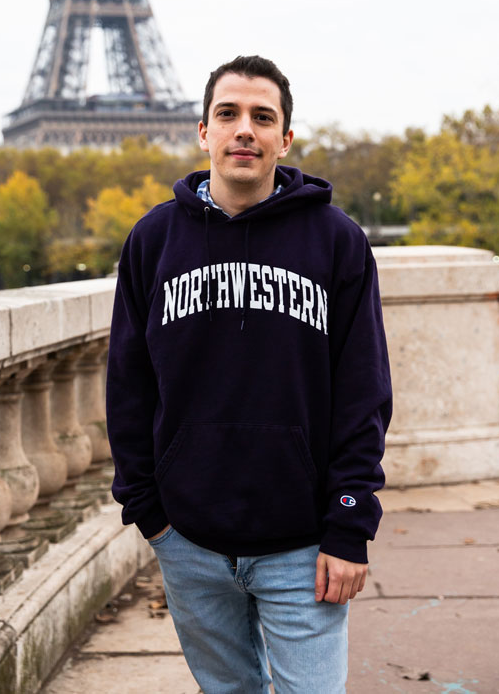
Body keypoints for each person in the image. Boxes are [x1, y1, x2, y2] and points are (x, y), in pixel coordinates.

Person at [106, 54, 392, 693]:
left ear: (284, 138)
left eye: (262, 117)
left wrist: (350, 524)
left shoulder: (337, 241)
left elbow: (363, 391)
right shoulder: (152, 241)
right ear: (203, 131)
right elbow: (128, 384)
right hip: (190, 543)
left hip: (303, 543)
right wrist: (150, 512)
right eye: (227, 114)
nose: (244, 130)